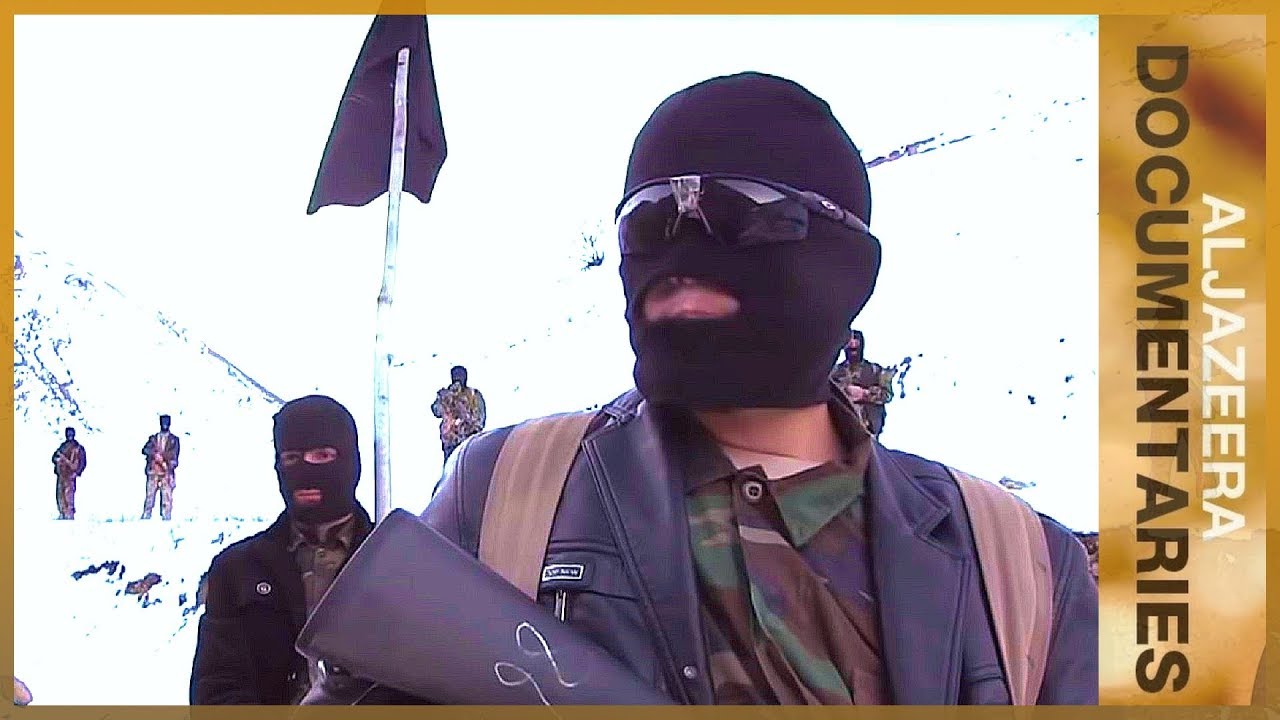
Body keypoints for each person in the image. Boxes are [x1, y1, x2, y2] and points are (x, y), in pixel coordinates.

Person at [305, 72, 1097, 705]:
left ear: (847, 265)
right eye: (648, 220)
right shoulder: (509, 491)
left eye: (738, 212)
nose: (682, 243)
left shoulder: (1019, 563)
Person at [189, 395, 374, 704]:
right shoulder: (236, 571)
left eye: (321, 456)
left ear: (350, 462)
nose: (305, 471)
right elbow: (217, 689)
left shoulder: (396, 563)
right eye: (291, 458)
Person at [831, 330, 897, 436]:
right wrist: (845, 392)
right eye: (850, 342)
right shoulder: (834, 373)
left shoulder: (876, 371)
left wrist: (865, 393)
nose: (853, 345)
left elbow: (887, 395)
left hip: (868, 431)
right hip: (841, 430)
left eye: (856, 341)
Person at [430, 365, 486, 463]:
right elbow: (436, 411)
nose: (458, 378)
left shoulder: (473, 394)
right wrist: (445, 399)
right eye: (455, 376)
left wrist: (473, 427)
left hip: (470, 440)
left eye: (460, 375)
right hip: (451, 442)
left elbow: (481, 417)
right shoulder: (447, 394)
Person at [141, 414, 180, 521]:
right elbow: (145, 450)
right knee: (149, 498)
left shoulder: (174, 440)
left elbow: (174, 456)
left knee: (167, 499)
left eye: (166, 423)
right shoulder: (153, 438)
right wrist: (154, 455)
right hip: (153, 472)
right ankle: (146, 517)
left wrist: (163, 460)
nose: (165, 425)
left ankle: (166, 519)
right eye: (163, 423)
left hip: (166, 473)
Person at [51, 427, 87, 520]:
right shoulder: (63, 446)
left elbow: (82, 462)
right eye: (68, 434)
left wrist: (77, 472)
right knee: (60, 494)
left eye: (71, 434)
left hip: (70, 475)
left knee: (69, 495)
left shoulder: (78, 447)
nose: (69, 435)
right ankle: (62, 513)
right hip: (61, 474)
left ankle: (69, 514)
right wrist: (57, 460)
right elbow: (54, 457)